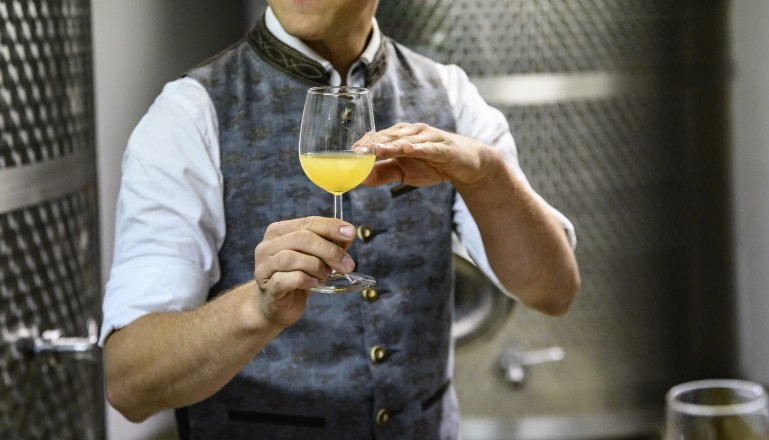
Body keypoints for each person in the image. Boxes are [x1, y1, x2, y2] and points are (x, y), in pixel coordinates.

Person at [100, 0, 580, 438]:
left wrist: (488, 177)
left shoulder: (449, 94)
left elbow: (553, 291)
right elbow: (130, 385)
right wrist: (256, 309)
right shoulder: (188, 114)